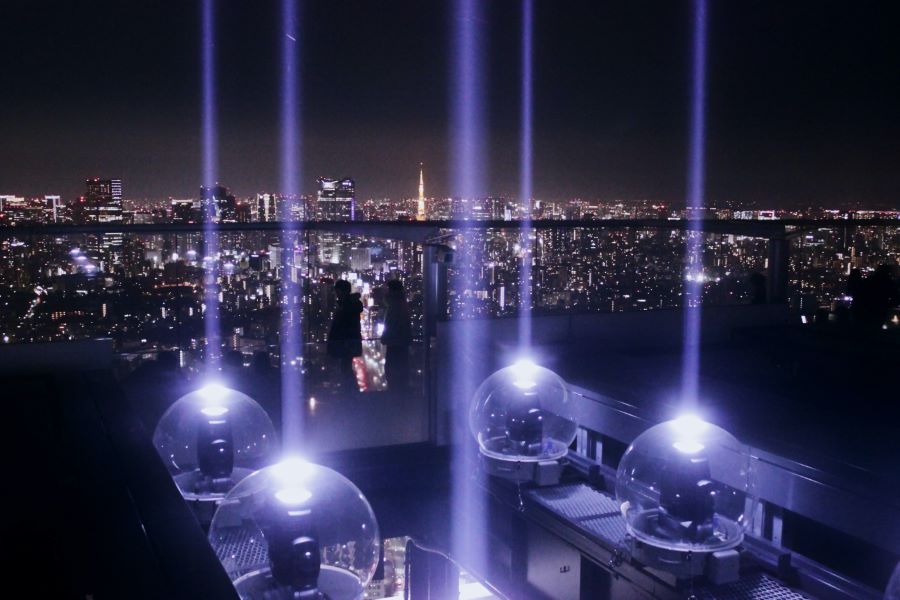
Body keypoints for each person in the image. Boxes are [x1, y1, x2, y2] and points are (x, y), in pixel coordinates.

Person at [327, 279, 363, 390]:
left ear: (342, 291)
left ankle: (349, 392)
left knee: (345, 368)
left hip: (345, 342)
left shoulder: (346, 306)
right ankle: (350, 391)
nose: (336, 293)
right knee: (346, 368)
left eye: (337, 291)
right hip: (348, 342)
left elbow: (342, 325)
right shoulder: (350, 304)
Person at [381, 279, 412, 391]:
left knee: (393, 371)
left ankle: (395, 393)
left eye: (388, 289)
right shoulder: (402, 304)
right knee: (400, 371)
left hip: (394, 343)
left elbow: (391, 325)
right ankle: (400, 393)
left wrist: (385, 337)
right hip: (401, 343)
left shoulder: (393, 306)